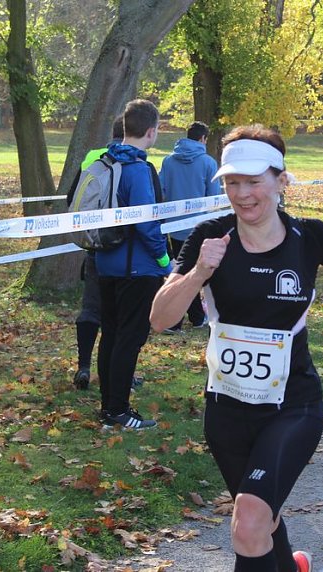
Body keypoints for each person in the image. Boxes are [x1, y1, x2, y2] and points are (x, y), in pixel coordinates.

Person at [150, 125, 323, 572]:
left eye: (253, 182)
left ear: (281, 180)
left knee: (248, 522)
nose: (242, 194)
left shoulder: (311, 237)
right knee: (262, 519)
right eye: (232, 182)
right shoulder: (211, 236)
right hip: (227, 409)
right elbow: (160, 319)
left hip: (293, 405)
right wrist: (197, 274)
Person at [95, 99, 170, 429]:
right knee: (128, 339)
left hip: (105, 263)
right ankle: (119, 410)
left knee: (110, 335)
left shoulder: (106, 161)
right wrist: (165, 260)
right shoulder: (138, 170)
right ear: (151, 132)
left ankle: (108, 408)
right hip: (136, 269)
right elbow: (146, 223)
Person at [70, 115, 124, 390]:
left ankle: (83, 366)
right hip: (125, 252)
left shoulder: (93, 158)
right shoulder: (138, 162)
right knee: (119, 316)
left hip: (94, 246)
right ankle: (117, 371)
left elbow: (72, 199)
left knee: (91, 308)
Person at [158, 121, 222, 333]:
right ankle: (189, 317)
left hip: (174, 227)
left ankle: (194, 316)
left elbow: (162, 191)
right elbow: (213, 198)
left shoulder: (168, 161)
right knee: (192, 274)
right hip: (198, 227)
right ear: (203, 139)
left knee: (180, 271)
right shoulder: (208, 163)